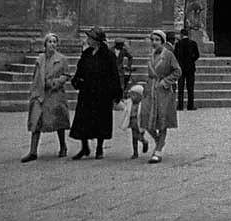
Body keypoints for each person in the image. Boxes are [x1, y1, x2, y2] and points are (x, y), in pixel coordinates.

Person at [69, 27, 122, 160]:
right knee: (82, 119)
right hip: (87, 91)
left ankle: (99, 148)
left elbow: (114, 74)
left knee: (101, 119)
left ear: (96, 40)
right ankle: (84, 147)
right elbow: (80, 68)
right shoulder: (86, 53)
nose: (87, 40)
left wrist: (116, 92)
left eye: (90, 38)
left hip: (102, 93)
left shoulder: (108, 55)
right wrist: (76, 80)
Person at [21, 32, 71, 163]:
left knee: (58, 120)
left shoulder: (62, 59)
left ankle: (63, 146)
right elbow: (36, 76)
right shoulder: (40, 59)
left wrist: (56, 82)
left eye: (54, 42)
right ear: (45, 44)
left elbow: (66, 74)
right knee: (36, 120)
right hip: (41, 93)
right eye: (50, 42)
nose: (52, 44)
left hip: (55, 94)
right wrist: (34, 92)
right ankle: (33, 151)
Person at [139, 29, 181, 164]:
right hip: (150, 89)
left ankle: (158, 150)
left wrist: (166, 81)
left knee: (162, 120)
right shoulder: (150, 55)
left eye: (157, 40)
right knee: (146, 118)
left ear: (162, 42)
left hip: (163, 91)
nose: (154, 42)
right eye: (152, 40)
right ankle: (159, 141)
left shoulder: (168, 55)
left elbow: (177, 71)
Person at [174, 27, 200, 110]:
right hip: (190, 68)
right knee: (190, 88)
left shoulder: (178, 44)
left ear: (181, 35)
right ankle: (190, 105)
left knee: (180, 88)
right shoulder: (193, 43)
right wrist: (191, 60)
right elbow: (197, 55)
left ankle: (180, 105)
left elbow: (175, 55)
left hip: (181, 68)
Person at [121, 83, 149, 158]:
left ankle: (144, 142)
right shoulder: (129, 102)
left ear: (140, 96)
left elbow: (146, 113)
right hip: (132, 121)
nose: (132, 97)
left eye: (134, 95)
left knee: (139, 136)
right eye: (131, 95)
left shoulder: (142, 104)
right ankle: (135, 152)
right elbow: (124, 104)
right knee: (134, 138)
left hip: (140, 122)